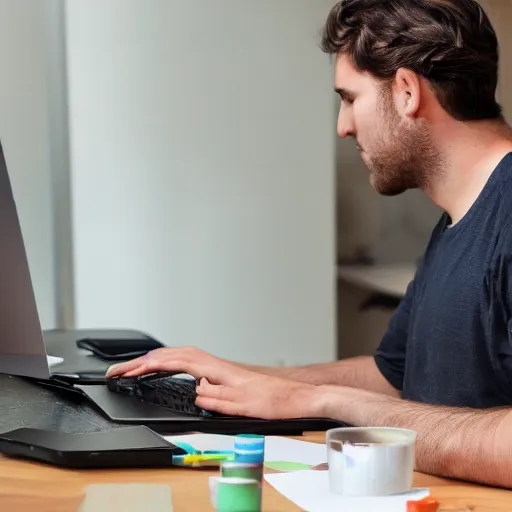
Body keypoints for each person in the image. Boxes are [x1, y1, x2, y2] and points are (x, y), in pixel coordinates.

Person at [107, 0, 512, 489]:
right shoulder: (459, 217)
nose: (343, 126)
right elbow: (394, 375)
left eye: (350, 97)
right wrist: (233, 379)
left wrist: (329, 403)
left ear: (406, 91)